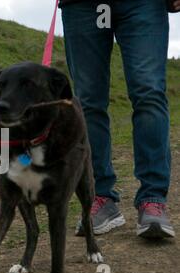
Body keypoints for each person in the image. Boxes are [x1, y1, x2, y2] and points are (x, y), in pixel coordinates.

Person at [60, 0, 177, 238]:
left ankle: (152, 199)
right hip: (81, 6)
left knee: (149, 91)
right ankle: (100, 197)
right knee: (88, 101)